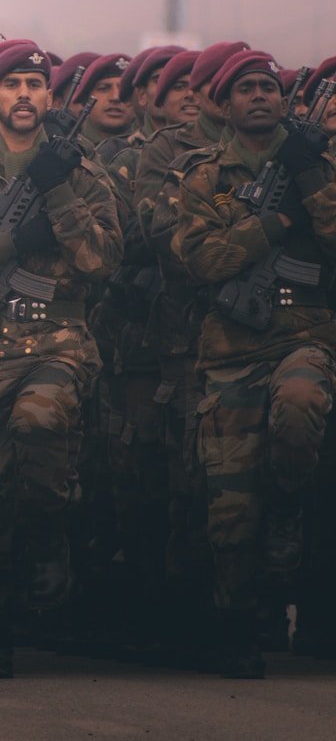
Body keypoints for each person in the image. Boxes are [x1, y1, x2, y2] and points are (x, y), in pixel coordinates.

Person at [0, 42, 121, 677]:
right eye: (11, 84)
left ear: (51, 98)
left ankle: (49, 535)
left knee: (41, 423)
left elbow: (102, 264)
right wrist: (12, 243)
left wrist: (61, 199)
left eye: (35, 84)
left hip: (56, 343)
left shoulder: (81, 173)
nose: (24, 94)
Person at [174, 50, 336, 678]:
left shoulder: (320, 167)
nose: (260, 96)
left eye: (269, 86)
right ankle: (237, 626)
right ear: (227, 103)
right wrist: (278, 218)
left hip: (308, 338)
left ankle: (292, 503)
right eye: (246, 88)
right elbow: (201, 261)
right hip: (233, 349)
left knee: (300, 406)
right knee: (230, 511)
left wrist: (313, 180)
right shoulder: (205, 177)